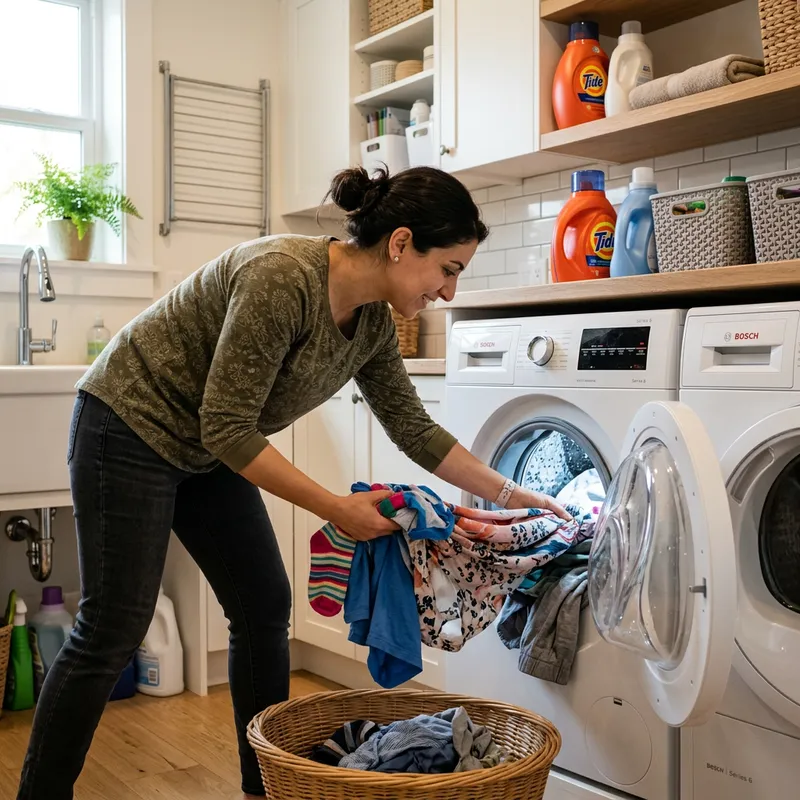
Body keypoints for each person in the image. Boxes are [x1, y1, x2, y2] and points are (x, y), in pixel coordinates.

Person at [16, 165, 568, 800]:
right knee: (113, 626)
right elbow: (227, 426)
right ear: (399, 243)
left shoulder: (373, 325)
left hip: (202, 448)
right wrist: (338, 509)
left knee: (261, 605)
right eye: (448, 268)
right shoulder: (281, 278)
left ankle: (268, 788)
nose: (447, 291)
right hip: (128, 424)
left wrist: (511, 493)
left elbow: (414, 430)